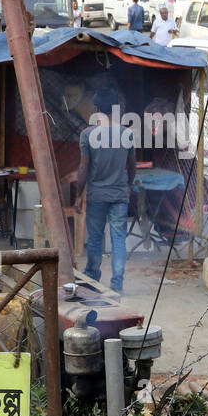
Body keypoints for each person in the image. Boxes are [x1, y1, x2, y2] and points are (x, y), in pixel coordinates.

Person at [77, 88, 136, 297]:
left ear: (96, 109)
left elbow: (83, 168)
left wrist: (78, 195)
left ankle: (92, 277)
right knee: (119, 238)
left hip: (97, 195)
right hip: (119, 194)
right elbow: (132, 166)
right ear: (116, 109)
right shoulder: (127, 134)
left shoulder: (87, 134)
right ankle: (117, 282)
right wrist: (127, 185)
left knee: (95, 238)